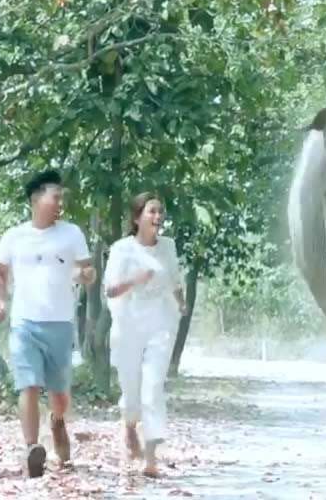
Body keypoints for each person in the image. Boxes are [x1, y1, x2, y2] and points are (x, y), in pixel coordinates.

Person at [0, 170, 96, 478]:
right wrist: (1, 301)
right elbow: (0, 272)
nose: (60, 202)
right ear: (36, 198)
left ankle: (57, 421)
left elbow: (86, 270)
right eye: (56, 196)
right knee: (28, 384)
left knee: (59, 394)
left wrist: (87, 275)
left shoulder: (71, 234)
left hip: (61, 324)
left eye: (62, 197)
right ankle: (31, 448)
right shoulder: (13, 236)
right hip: (23, 322)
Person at [103, 192, 188, 477]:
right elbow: (110, 290)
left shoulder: (168, 246)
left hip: (161, 321)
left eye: (160, 211)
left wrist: (181, 301)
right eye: (152, 211)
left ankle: (151, 459)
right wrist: (135, 280)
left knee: (152, 388)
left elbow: (174, 278)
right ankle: (129, 425)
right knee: (131, 389)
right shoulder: (121, 249)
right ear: (137, 217)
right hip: (129, 320)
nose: (158, 217)